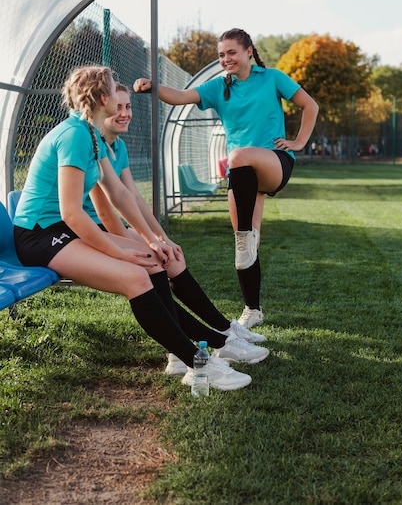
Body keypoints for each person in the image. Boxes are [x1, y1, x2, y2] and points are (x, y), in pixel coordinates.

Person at [13, 65, 268, 392]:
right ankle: (200, 364)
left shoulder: (90, 133)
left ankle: (184, 354)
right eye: (114, 98)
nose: (120, 106)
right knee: (135, 276)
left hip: (60, 229)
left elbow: (118, 193)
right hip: (39, 235)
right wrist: (121, 251)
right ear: (103, 98)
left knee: (153, 258)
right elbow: (72, 214)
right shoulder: (74, 135)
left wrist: (153, 240)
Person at [134, 28, 319, 329]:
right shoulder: (219, 87)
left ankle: (248, 235)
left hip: (274, 163)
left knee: (236, 158)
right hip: (243, 175)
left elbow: (310, 105)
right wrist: (153, 86)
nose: (226, 59)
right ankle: (253, 309)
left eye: (231, 52)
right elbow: (180, 96)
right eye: (221, 54)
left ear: (248, 51)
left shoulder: (272, 77)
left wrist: (298, 142)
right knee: (243, 248)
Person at [84, 82, 268, 377]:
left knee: (172, 257)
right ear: (100, 108)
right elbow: (106, 210)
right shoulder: (91, 145)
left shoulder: (117, 145)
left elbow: (133, 198)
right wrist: (139, 247)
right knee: (153, 261)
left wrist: (162, 238)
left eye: (128, 106)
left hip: (105, 228)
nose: (124, 113)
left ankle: (215, 333)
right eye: (117, 107)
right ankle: (198, 345)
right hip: (90, 230)